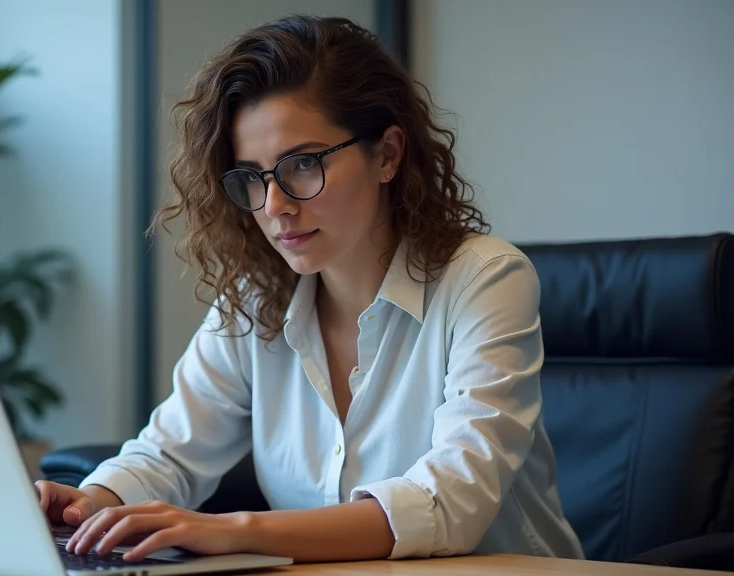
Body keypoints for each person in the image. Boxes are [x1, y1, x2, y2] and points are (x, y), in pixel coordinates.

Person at [35, 14, 584, 564]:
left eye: (302, 164)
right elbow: (169, 455)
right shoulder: (254, 300)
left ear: (388, 155)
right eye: (252, 177)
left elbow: (450, 503)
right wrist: (87, 506)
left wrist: (238, 531)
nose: (275, 206)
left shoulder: (485, 279)